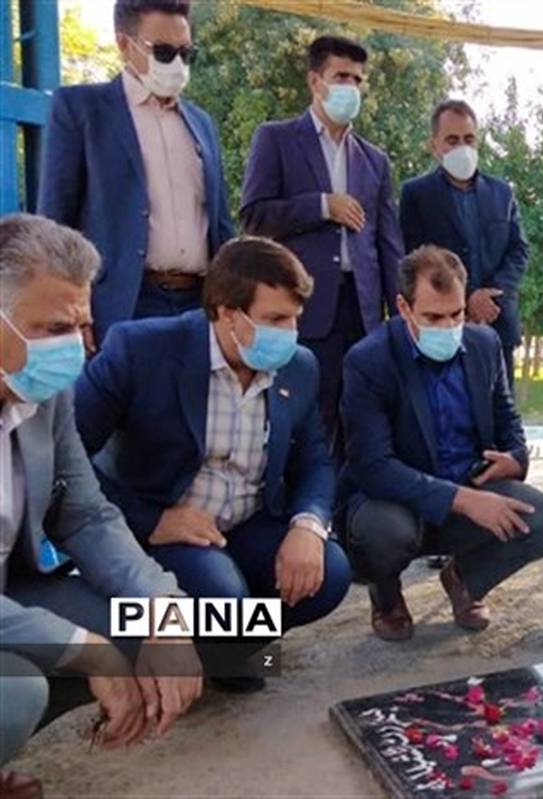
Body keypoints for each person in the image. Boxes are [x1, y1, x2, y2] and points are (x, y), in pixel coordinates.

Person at [74, 236, 351, 693]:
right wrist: (152, 520)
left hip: (246, 521)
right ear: (226, 312)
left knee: (329, 572)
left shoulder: (298, 366)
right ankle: (190, 647)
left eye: (295, 318)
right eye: (275, 319)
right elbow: (68, 457)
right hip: (165, 531)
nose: (289, 333)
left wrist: (308, 525)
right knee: (222, 598)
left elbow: (315, 460)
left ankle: (225, 650)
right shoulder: (142, 350)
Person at [0, 214, 202, 794]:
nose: (74, 346)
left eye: (81, 325)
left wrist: (164, 609)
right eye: (54, 327)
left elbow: (86, 514)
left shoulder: (46, 393)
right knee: (17, 690)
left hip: (13, 592)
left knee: (153, 629)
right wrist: (89, 652)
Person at [341, 245, 543, 642]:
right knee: (384, 533)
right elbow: (372, 467)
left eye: (456, 314)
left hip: (469, 487)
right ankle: (386, 595)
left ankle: (465, 581)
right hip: (395, 501)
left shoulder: (484, 345)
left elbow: (508, 419)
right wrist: (462, 499)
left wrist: (515, 458)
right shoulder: (369, 360)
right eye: (433, 317)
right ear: (404, 308)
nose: (447, 327)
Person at [240, 35, 404, 453]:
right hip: (304, 309)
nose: (351, 87)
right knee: (308, 423)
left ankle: (352, 495)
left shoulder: (374, 160)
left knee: (361, 424)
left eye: (358, 79)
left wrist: (400, 316)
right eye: (341, 76)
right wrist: (322, 206)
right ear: (316, 81)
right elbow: (254, 216)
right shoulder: (276, 139)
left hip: (363, 314)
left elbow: (388, 245)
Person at [37, 0, 234, 345]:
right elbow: (55, 222)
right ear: (124, 44)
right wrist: (68, 315)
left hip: (199, 303)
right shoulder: (82, 109)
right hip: (121, 303)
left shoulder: (201, 123)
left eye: (186, 53)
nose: (177, 64)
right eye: (164, 52)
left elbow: (219, 221)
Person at [399, 100, 529, 390]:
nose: (462, 147)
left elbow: (518, 251)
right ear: (434, 145)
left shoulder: (502, 193)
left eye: (469, 139)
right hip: (438, 327)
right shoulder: (417, 195)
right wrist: (466, 299)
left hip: (496, 323)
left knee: (498, 408)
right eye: (452, 140)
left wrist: (491, 297)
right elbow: (412, 259)